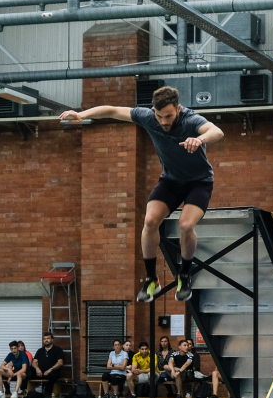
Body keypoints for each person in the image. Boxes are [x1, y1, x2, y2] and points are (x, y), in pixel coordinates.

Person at [60, 86, 225, 304]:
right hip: (171, 181)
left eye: (169, 116)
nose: (164, 122)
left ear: (178, 108)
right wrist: (81, 115)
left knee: (186, 226)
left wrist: (200, 140)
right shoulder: (147, 117)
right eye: (159, 117)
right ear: (153, 112)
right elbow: (111, 110)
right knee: (149, 221)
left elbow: (216, 131)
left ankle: (184, 275)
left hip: (199, 183)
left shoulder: (190, 120)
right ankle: (151, 279)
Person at [29, 332, 65, 397]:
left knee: (53, 375)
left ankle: (47, 391)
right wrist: (37, 369)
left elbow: (60, 362)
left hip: (52, 371)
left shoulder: (57, 350)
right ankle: (27, 391)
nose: (46, 340)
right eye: (44, 339)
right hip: (40, 372)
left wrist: (50, 370)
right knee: (29, 371)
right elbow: (34, 362)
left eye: (48, 338)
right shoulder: (40, 350)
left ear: (52, 339)